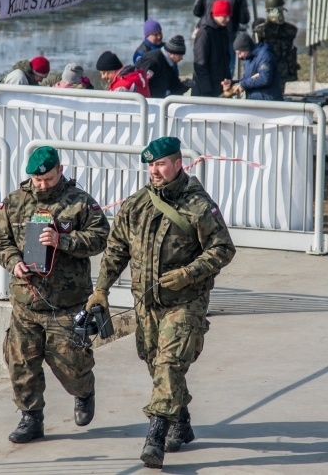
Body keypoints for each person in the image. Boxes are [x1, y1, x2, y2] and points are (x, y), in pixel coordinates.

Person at [86, 136, 235, 469]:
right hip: (147, 304)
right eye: (151, 165)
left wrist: (189, 273)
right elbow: (115, 251)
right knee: (157, 365)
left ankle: (155, 436)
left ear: (178, 164)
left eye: (161, 164)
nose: (154, 171)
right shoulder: (137, 204)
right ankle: (181, 422)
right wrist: (101, 290)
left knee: (169, 365)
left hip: (185, 303)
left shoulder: (198, 205)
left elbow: (223, 248)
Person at [0, 146, 110, 444]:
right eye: (37, 180)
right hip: (26, 302)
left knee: (71, 363)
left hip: (66, 304)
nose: (42, 185)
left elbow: (101, 238)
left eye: (49, 179)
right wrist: (12, 262)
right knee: (21, 363)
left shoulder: (80, 203)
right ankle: (31, 418)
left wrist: (62, 240)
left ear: (60, 170)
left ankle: (83, 391)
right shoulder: (14, 203)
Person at [192, 0, 250, 73]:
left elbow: (196, 11)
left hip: (207, 32)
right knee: (227, 67)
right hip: (229, 35)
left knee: (204, 63)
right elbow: (245, 19)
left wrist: (208, 12)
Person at [252, 0, 300, 86]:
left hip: (284, 72)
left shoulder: (290, 30)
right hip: (267, 71)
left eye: (280, 9)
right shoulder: (261, 31)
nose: (279, 13)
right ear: (268, 11)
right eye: (275, 10)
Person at [222, 32, 282, 101]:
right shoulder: (249, 59)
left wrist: (243, 84)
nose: (239, 56)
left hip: (268, 101)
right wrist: (233, 83)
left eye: (240, 53)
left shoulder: (265, 55)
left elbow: (264, 78)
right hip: (256, 100)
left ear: (246, 48)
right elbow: (247, 79)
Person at [192, 0, 233, 97]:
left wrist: (228, 80)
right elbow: (200, 64)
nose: (228, 19)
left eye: (229, 16)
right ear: (216, 14)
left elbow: (226, 59)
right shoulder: (204, 33)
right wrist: (206, 91)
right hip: (206, 90)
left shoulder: (223, 30)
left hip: (221, 86)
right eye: (224, 16)